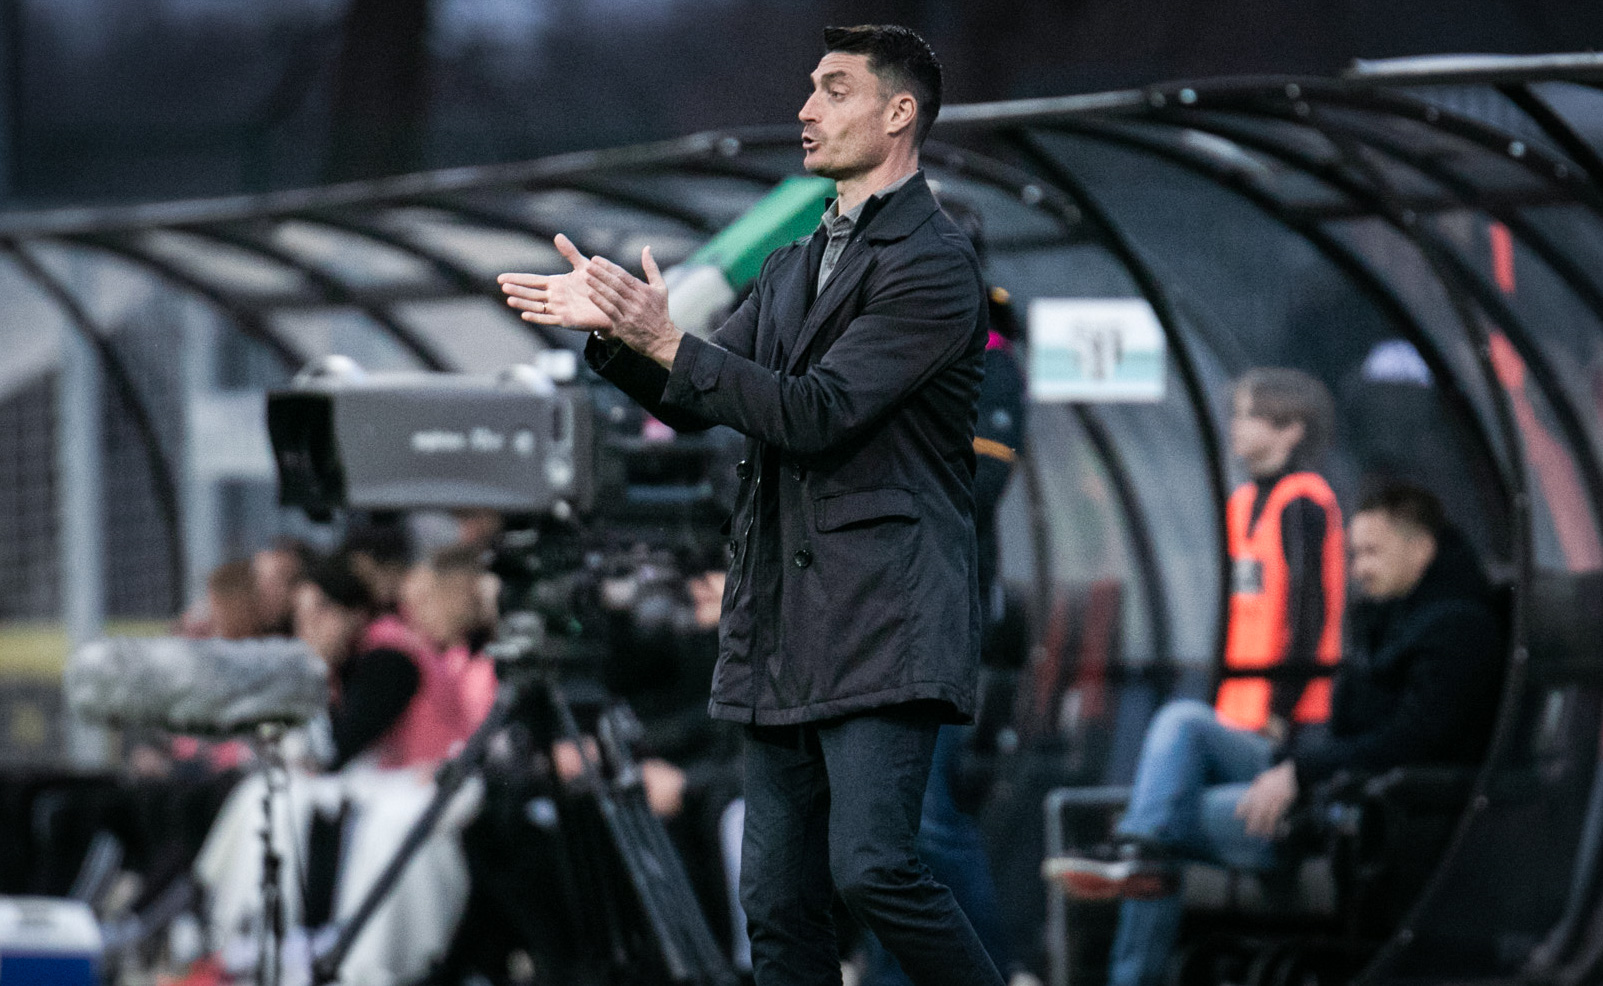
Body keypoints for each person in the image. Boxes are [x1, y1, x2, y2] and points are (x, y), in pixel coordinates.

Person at [498, 23, 1002, 986]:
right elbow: (698, 398)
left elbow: (815, 412)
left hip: (884, 621)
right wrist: (622, 338)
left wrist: (668, 340)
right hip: (782, 622)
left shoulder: (934, 265)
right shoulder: (792, 264)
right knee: (774, 903)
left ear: (900, 113)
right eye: (809, 88)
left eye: (834, 90)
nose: (805, 110)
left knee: (873, 871)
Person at [1046, 482, 1506, 986]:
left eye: (1372, 552)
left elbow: (1410, 741)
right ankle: (1138, 850)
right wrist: (1300, 763)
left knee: (1165, 820)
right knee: (1184, 722)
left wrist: (1300, 774)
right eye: (1355, 554)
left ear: (1421, 549)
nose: (1358, 569)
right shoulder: (1387, 615)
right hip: (1328, 775)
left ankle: (1135, 922)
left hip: (1359, 806)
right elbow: (1348, 730)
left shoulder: (1458, 628)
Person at [1217, 367, 1346, 741]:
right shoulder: (1242, 501)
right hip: (1237, 707)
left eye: (1251, 416)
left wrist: (1281, 707)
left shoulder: (1303, 500)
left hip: (1291, 716)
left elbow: (1307, 611)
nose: (1236, 426)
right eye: (1237, 415)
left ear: (1291, 430)